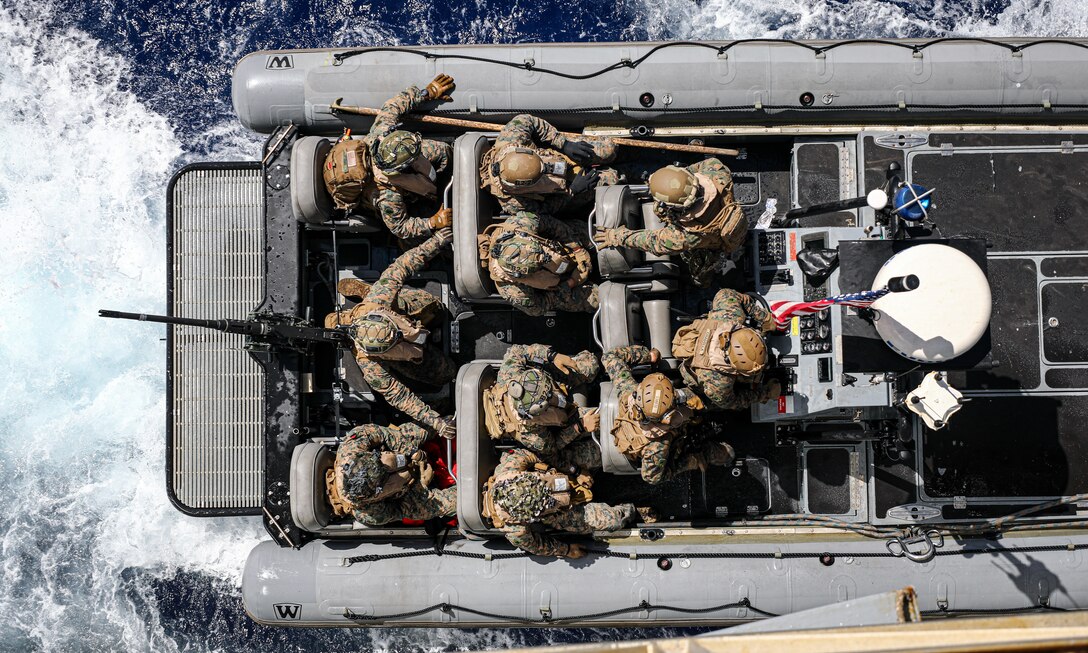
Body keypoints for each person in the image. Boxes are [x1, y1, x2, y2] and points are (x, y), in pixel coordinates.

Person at [326, 228, 456, 437]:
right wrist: (437, 422)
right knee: (447, 373)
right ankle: (343, 318)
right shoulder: (370, 365)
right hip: (401, 354)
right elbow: (400, 397)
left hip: (399, 312)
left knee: (437, 308)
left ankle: (366, 291)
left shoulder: (378, 300)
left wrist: (436, 241)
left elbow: (404, 265)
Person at [323, 74, 457, 241]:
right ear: (401, 168)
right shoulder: (387, 196)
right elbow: (401, 228)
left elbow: (392, 106)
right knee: (417, 224)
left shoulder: (379, 133)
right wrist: (432, 222)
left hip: (408, 157)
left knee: (442, 150)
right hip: (407, 195)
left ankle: (448, 167)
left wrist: (427, 92)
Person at [592, 159, 745, 287]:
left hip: (713, 244)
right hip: (731, 220)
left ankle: (702, 281)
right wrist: (676, 185)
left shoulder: (686, 236)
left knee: (700, 275)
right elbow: (690, 172)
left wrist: (616, 236)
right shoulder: (717, 171)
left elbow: (653, 241)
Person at [601, 345, 734, 484]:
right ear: (667, 418)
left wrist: (647, 356)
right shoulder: (657, 446)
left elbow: (609, 356)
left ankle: (720, 405)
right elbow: (652, 477)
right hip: (673, 444)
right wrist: (689, 462)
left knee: (707, 399)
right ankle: (704, 453)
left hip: (658, 422)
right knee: (726, 453)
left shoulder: (627, 388)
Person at [483, 448, 638, 558]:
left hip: (554, 472)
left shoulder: (511, 466)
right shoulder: (515, 531)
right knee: (612, 519)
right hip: (557, 513)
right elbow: (538, 546)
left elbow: (541, 452)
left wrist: (574, 470)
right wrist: (566, 550)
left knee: (598, 451)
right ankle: (636, 510)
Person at [479, 114, 619, 215]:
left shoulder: (512, 137)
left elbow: (529, 121)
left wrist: (564, 144)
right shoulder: (513, 202)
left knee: (608, 149)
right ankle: (631, 174)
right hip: (564, 190)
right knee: (612, 178)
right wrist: (572, 192)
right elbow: (544, 210)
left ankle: (625, 154)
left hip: (560, 155)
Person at [483, 344, 600, 463]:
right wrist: (579, 427)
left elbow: (517, 351)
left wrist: (552, 356)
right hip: (562, 416)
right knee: (602, 420)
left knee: (590, 364)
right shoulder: (530, 435)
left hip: (551, 381)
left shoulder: (509, 374)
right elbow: (554, 447)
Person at [670, 288, 782, 410]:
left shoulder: (730, 315)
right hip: (700, 368)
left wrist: (765, 318)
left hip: (708, 340)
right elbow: (732, 402)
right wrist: (765, 394)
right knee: (712, 401)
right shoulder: (718, 383)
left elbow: (727, 294)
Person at [331, 422, 455, 525]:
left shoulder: (352, 446)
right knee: (429, 507)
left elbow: (383, 433)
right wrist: (421, 484)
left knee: (416, 432)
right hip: (406, 490)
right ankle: (467, 497)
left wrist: (412, 452)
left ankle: (451, 424)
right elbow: (400, 510)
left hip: (397, 451)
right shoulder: (366, 512)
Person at [480, 210, 597, 316]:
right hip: (559, 285)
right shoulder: (513, 291)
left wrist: (576, 248)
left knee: (604, 238)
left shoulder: (522, 223)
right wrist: (571, 283)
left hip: (561, 246)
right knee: (595, 299)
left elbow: (551, 225)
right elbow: (541, 306)